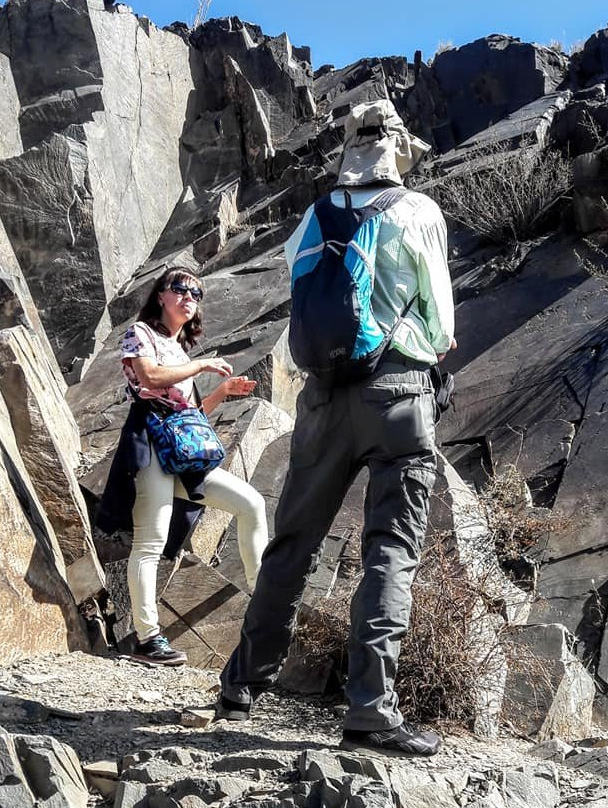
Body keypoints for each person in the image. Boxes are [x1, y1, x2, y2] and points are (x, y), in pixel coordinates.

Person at [215, 99, 457, 755]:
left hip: (321, 398)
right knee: (389, 550)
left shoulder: (313, 217)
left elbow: (303, 303)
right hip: (398, 396)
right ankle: (371, 711)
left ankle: (240, 684)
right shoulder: (418, 213)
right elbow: (438, 325)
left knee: (291, 542)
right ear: (398, 148)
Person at [99, 267, 269, 666]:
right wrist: (203, 367)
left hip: (181, 451)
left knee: (251, 504)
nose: (189, 296)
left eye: (196, 292)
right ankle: (147, 638)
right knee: (150, 541)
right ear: (161, 295)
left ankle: (264, 608)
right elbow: (149, 377)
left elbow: (192, 419)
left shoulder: (182, 353)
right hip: (150, 447)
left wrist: (222, 392)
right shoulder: (141, 334)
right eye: (180, 288)